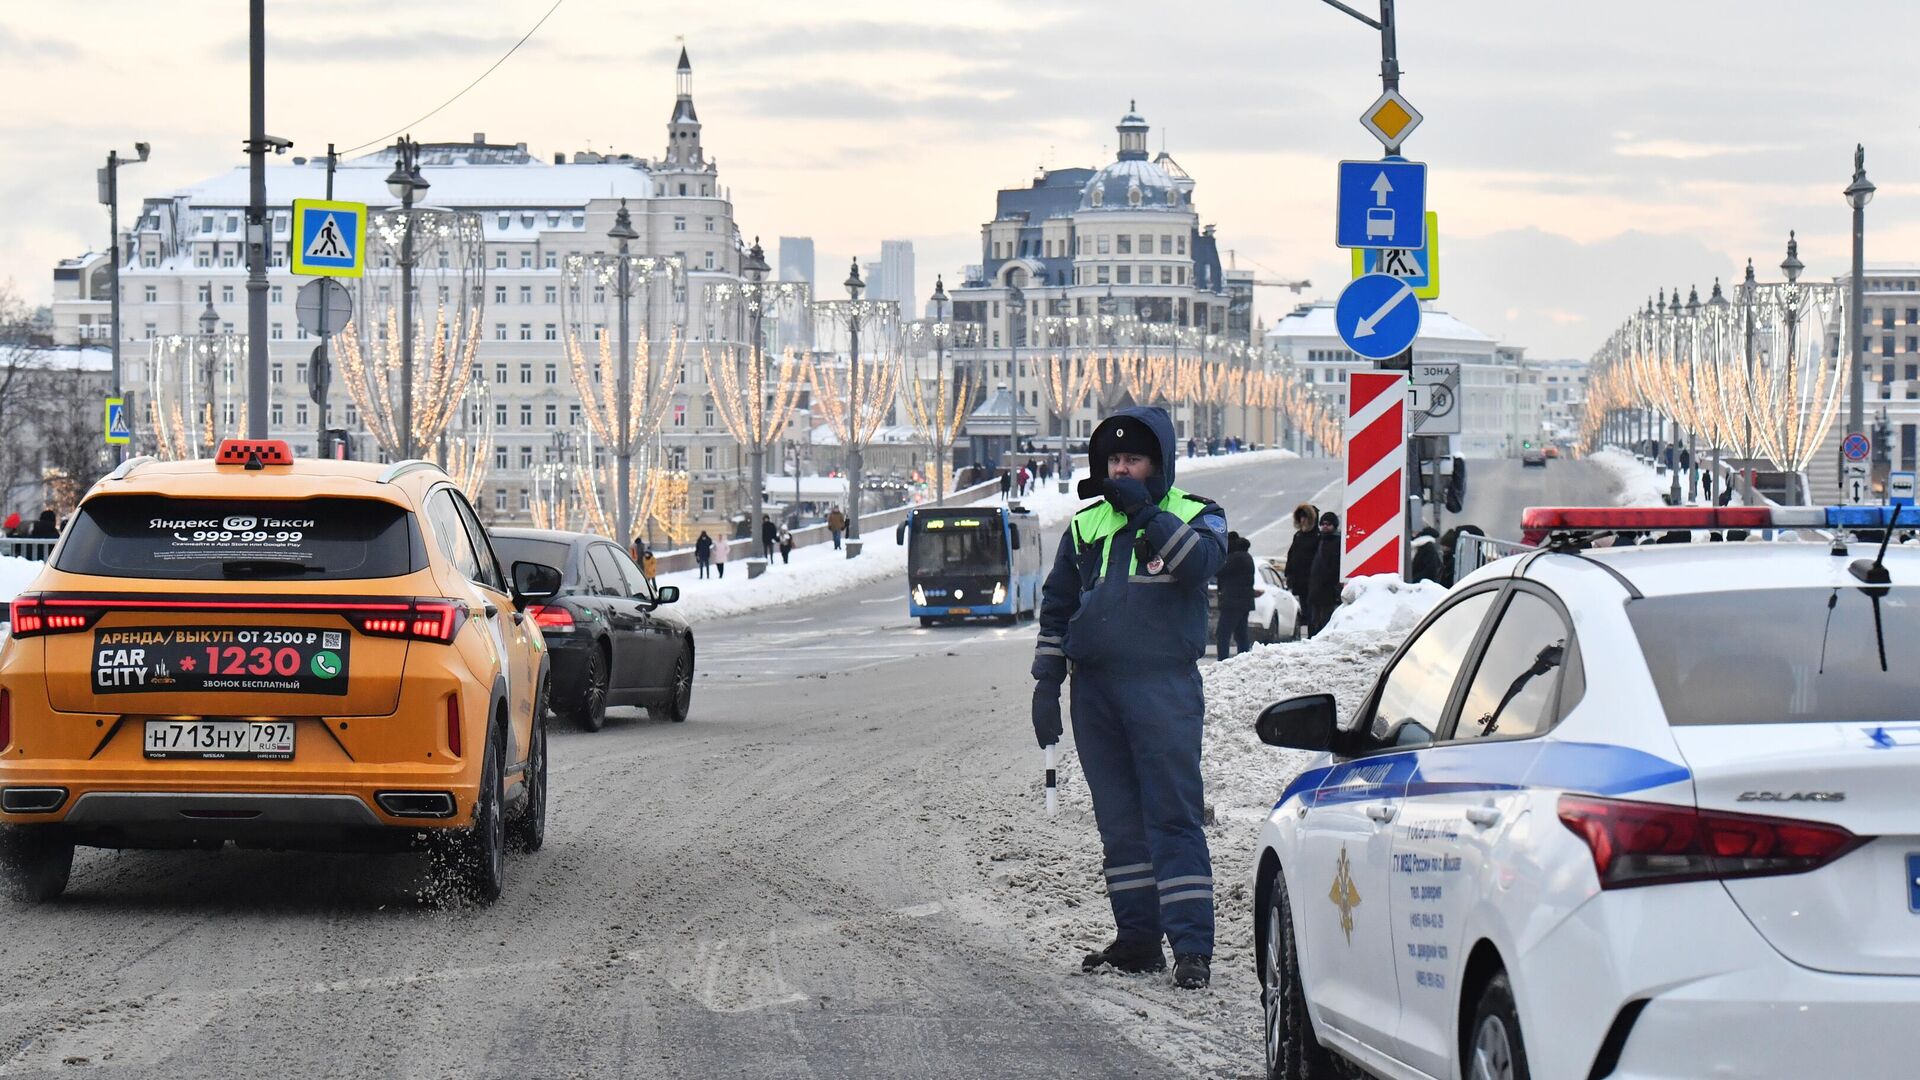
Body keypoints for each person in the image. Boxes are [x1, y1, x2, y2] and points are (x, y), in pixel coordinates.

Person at [1031, 405, 1228, 990]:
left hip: (1162, 687)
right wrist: (1047, 678)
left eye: (1134, 460)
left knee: (1172, 815)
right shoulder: (1086, 525)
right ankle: (1138, 940)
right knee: (1118, 822)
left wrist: (1146, 513)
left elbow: (1201, 567)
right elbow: (1059, 603)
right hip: (1096, 690)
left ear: (1158, 464)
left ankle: (1192, 946)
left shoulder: (1196, 515)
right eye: (1114, 460)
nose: (1121, 470)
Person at [1213, 531, 1256, 661]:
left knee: (1222, 634)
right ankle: (1243, 659)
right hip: (1243, 602)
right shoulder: (1245, 556)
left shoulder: (1235, 558)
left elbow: (1218, 571)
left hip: (1233, 602)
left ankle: (1223, 661)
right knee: (1241, 635)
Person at [1283, 503, 1319, 633]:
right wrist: (1289, 574)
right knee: (1306, 609)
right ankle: (1310, 633)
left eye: (1305, 517)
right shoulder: (1298, 536)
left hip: (1313, 581)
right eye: (1301, 517)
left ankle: (1313, 633)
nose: (1303, 520)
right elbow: (1292, 556)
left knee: (1313, 611)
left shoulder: (1318, 537)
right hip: (1300, 581)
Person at [1306, 511, 1342, 637]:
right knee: (1314, 619)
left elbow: (1335, 566)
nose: (1325, 526)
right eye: (1323, 524)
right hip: (1316, 586)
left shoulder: (1337, 542)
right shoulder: (1318, 541)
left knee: (1326, 617)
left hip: (1328, 587)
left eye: (1328, 524)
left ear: (1334, 526)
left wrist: (1330, 580)